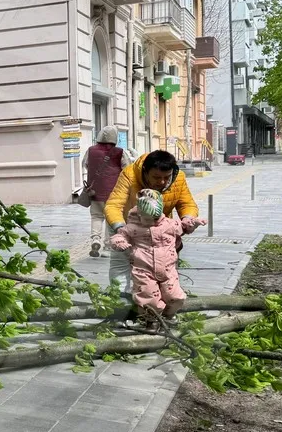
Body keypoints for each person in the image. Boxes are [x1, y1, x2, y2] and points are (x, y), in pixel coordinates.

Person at [104, 150, 202, 292]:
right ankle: (120, 299)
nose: (162, 182)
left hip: (158, 228)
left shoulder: (178, 177)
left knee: (162, 266)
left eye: (166, 177)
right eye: (156, 177)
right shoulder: (129, 174)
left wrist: (188, 218)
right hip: (125, 224)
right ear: (145, 171)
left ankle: (162, 299)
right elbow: (113, 205)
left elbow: (186, 204)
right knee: (121, 263)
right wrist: (120, 229)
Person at [111, 189, 205, 322]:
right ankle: (151, 321)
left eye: (156, 218)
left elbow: (184, 227)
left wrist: (194, 223)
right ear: (139, 214)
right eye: (147, 219)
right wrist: (119, 242)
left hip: (168, 269)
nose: (152, 222)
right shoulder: (132, 228)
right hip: (143, 270)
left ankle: (168, 316)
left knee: (175, 296)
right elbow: (120, 235)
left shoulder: (169, 225)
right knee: (148, 298)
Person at [82, 125, 126, 257]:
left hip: (95, 191)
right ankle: (107, 247)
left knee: (96, 216)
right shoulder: (119, 152)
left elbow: (85, 164)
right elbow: (127, 169)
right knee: (110, 218)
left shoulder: (91, 150)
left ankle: (95, 239)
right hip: (114, 191)